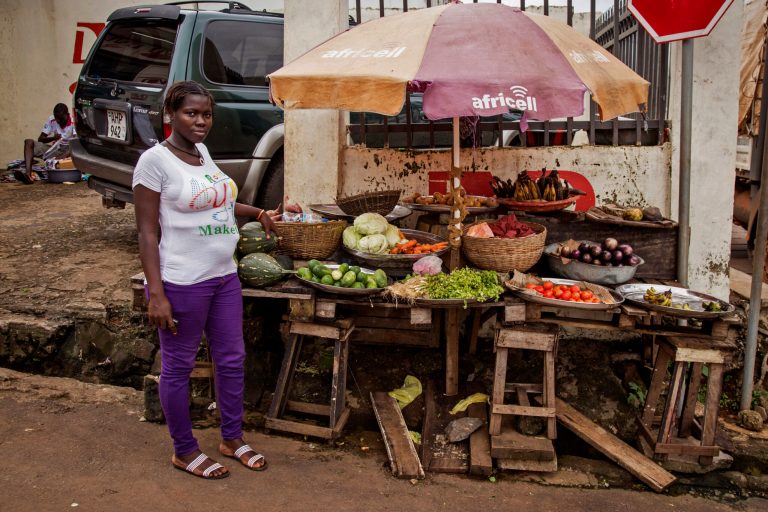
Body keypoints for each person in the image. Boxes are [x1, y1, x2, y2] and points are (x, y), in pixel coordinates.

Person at [133, 80, 276, 480]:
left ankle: (231, 438)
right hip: (182, 281)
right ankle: (184, 449)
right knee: (178, 366)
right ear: (170, 115)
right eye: (190, 113)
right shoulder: (154, 162)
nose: (200, 121)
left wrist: (258, 212)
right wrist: (156, 293)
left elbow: (220, 201)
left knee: (232, 360)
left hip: (223, 276)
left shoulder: (201, 153)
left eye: (206, 114)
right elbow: (147, 232)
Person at [15, 103, 76, 184]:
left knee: (72, 150)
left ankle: (57, 163)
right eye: (56, 118)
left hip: (69, 151)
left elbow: (77, 144)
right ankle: (28, 175)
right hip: (55, 149)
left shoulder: (74, 121)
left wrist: (63, 156)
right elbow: (41, 139)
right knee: (28, 142)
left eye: (60, 119)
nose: (58, 121)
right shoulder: (52, 119)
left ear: (67, 115)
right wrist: (53, 138)